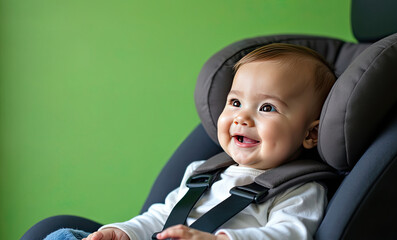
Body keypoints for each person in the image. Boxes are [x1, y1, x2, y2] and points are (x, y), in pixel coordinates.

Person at [45, 43, 336, 240]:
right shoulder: (204, 172)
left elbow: (286, 235)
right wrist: (124, 231)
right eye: (235, 102)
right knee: (61, 235)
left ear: (310, 134)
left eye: (267, 108)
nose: (241, 118)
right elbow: (162, 215)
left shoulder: (300, 191)